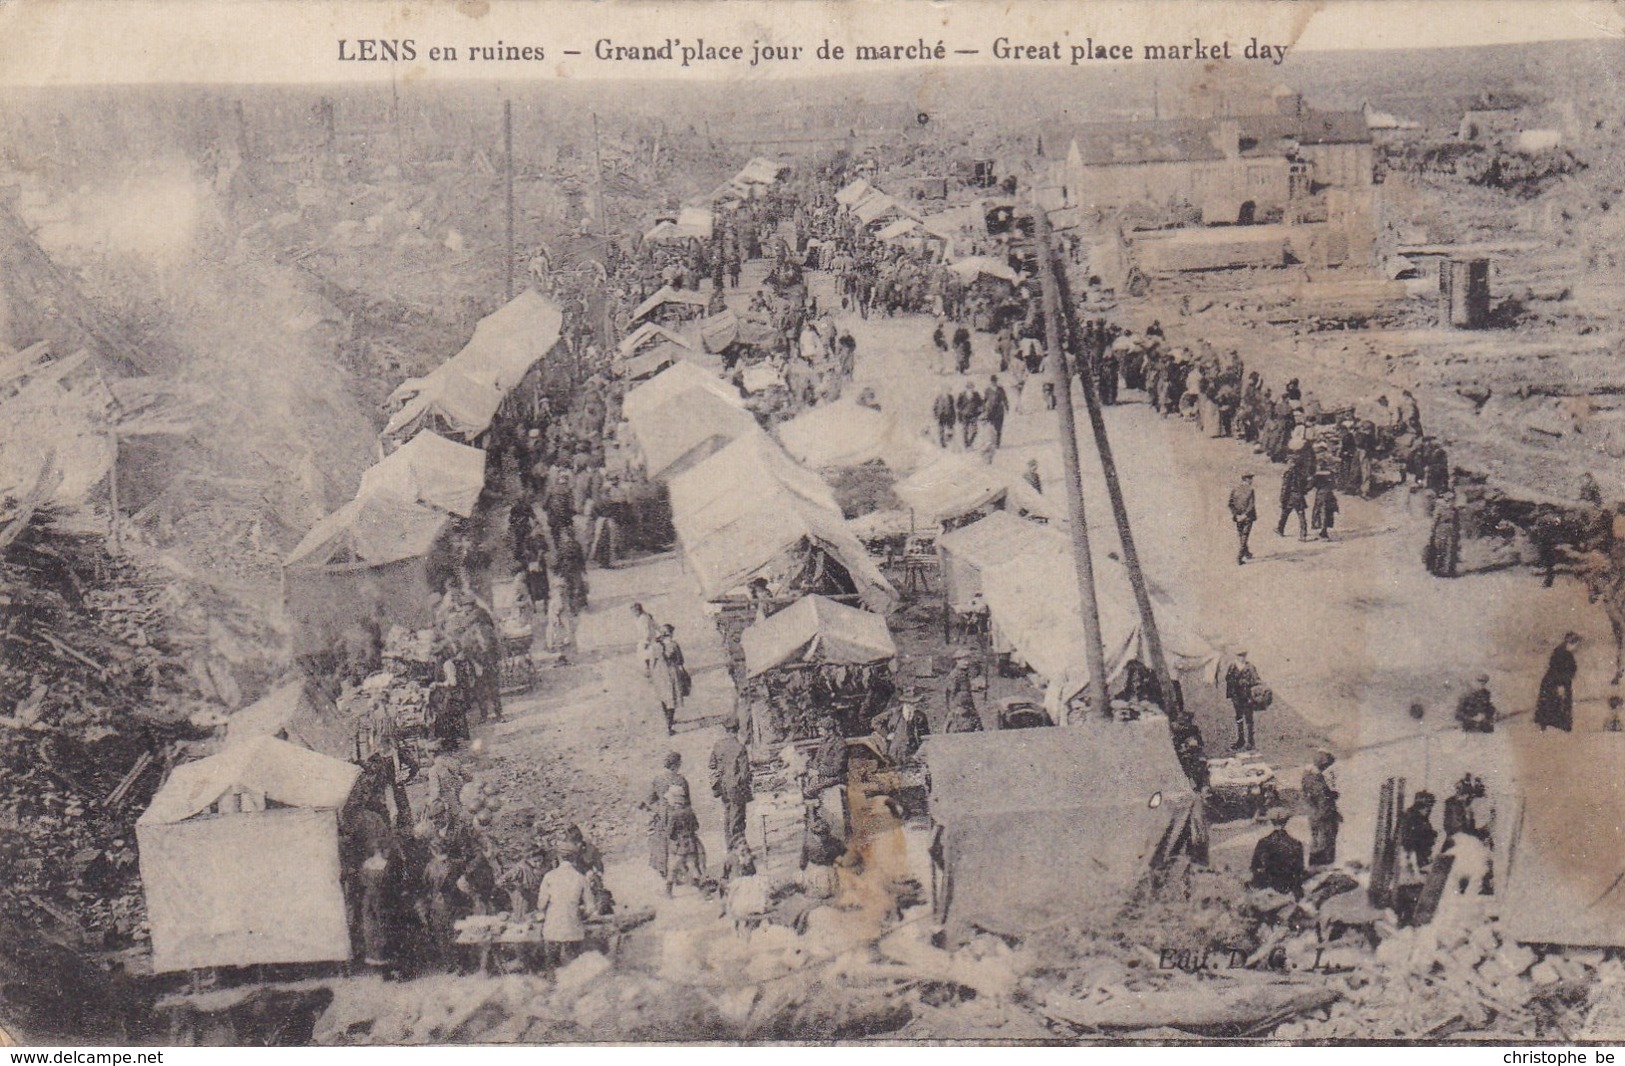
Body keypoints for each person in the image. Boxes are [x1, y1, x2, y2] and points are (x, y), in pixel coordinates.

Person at [534, 851, 590, 970]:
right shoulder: (581, 878)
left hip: (553, 928)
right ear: (574, 858)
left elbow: (541, 905)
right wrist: (580, 914)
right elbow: (590, 907)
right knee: (573, 965)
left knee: (552, 963)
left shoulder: (549, 876)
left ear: (558, 858)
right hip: (573, 929)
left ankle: (552, 985)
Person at [709, 715, 753, 851]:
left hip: (723, 787)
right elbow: (745, 774)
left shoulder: (718, 745)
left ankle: (730, 847)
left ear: (725, 730)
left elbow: (711, 765)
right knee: (738, 819)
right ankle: (738, 850)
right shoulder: (740, 748)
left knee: (728, 814)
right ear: (737, 729)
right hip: (736, 788)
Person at [1250, 807, 1307, 899]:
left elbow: (1255, 867)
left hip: (1268, 890)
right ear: (1287, 822)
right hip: (1289, 889)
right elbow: (1299, 871)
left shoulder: (1263, 842)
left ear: (1271, 822)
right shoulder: (1296, 843)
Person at [1534, 631, 1582, 732]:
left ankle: (1558, 726)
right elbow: (1556, 670)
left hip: (1559, 684)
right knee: (1555, 705)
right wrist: (1560, 686)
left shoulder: (1565, 653)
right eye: (1576, 645)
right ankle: (1557, 726)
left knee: (1556, 706)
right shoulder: (1561, 653)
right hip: (1556, 684)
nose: (1577, 648)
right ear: (1570, 643)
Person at [1301, 750, 1342, 867]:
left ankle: (1318, 864)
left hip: (1315, 815)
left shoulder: (1308, 775)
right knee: (1324, 842)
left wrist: (1330, 794)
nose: (1327, 768)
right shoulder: (1315, 777)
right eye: (1326, 765)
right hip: (1322, 816)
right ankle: (1322, 866)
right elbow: (1321, 798)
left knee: (1317, 840)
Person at [871, 690, 930, 765]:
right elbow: (875, 721)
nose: (914, 706)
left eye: (915, 703)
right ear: (905, 702)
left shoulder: (920, 716)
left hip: (912, 752)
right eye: (911, 703)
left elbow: (924, 736)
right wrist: (886, 734)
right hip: (896, 750)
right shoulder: (894, 713)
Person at [650, 624, 688, 736]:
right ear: (671, 633)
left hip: (659, 673)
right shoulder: (674, 645)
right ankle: (669, 726)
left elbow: (652, 662)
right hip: (671, 673)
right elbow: (680, 660)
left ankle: (667, 720)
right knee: (672, 697)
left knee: (664, 697)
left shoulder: (655, 646)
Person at [1224, 649, 1265, 752]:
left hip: (1247, 697)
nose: (1241, 658)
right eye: (1239, 655)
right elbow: (1228, 680)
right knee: (1239, 717)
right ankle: (1241, 739)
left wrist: (1256, 692)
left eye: (1243, 656)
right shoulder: (1232, 667)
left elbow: (1256, 680)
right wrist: (1231, 696)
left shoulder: (1250, 667)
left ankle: (1251, 741)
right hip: (1236, 697)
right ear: (1236, 656)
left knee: (1249, 719)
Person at [1399, 791, 1438, 874]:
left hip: (1420, 855)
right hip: (1413, 855)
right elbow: (1412, 838)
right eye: (1428, 807)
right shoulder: (1412, 818)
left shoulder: (1422, 818)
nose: (1430, 810)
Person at [943, 657, 983, 732]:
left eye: (968, 660)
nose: (967, 663)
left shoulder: (964, 673)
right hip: (959, 705)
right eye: (964, 660)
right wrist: (952, 708)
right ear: (957, 660)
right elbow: (950, 692)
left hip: (968, 704)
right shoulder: (954, 675)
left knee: (976, 725)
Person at [1276, 453, 1310, 541]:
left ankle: (1280, 529)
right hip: (1299, 496)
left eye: (1289, 462)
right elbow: (1306, 485)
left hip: (1291, 497)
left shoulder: (1288, 473)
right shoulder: (1302, 473)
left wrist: (1281, 499)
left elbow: (1285, 487)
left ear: (1292, 463)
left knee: (1285, 513)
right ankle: (1303, 534)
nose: (1288, 463)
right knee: (1301, 515)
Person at [1228, 472, 1257, 565]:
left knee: (1241, 535)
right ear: (1247, 479)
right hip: (1247, 516)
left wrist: (1236, 514)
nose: (1252, 481)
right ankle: (1239, 557)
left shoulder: (1235, 489)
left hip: (1238, 516)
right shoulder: (1250, 490)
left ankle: (1247, 553)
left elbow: (1230, 504)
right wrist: (1245, 514)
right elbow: (1251, 505)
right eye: (1251, 479)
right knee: (1245, 536)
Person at [630, 602, 659, 677]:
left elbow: (646, 630)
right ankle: (650, 669)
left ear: (638, 610)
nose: (633, 613)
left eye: (634, 611)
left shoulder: (643, 618)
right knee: (650, 654)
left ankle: (649, 670)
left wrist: (646, 641)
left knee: (647, 654)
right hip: (649, 637)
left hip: (647, 638)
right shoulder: (645, 616)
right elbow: (655, 625)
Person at [1310, 468, 1338, 541]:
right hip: (1330, 495)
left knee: (1321, 513)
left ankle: (1323, 532)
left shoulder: (1317, 475)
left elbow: (1310, 486)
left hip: (1321, 496)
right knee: (1328, 512)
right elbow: (1335, 485)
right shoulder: (1331, 474)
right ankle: (1324, 531)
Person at [983, 376, 1009, 449]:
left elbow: (1005, 399)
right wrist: (983, 409)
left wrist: (1007, 407)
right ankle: (992, 441)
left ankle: (997, 443)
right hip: (991, 411)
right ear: (990, 382)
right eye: (992, 382)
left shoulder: (1000, 389)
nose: (994, 383)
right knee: (991, 427)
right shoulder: (987, 390)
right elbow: (984, 400)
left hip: (999, 410)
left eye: (995, 381)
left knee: (998, 428)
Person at [956, 381, 983, 449]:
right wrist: (961, 412)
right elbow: (958, 405)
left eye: (972, 387)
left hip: (973, 415)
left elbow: (981, 404)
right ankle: (966, 445)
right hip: (965, 415)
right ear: (967, 388)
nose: (971, 389)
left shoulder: (976, 395)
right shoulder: (962, 395)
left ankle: (970, 443)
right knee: (965, 431)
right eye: (969, 387)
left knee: (975, 431)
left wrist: (979, 412)